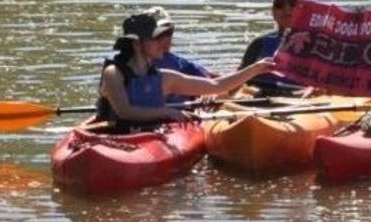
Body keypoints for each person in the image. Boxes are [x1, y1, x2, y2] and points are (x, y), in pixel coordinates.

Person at [97, 12, 275, 132]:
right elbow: (125, 112)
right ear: (137, 43)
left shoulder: (164, 77)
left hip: (149, 137)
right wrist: (167, 112)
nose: (164, 41)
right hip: (115, 135)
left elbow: (216, 85)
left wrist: (255, 69)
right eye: (156, 38)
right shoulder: (113, 73)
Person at [239, 0, 305, 96]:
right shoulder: (259, 44)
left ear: (303, 10)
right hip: (263, 99)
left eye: (293, 3)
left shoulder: (318, 45)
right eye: (280, 4)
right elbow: (238, 80)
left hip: (305, 100)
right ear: (273, 12)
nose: (286, 8)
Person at [143, 6, 215, 103]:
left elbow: (210, 81)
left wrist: (208, 93)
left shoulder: (179, 63)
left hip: (183, 111)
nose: (166, 38)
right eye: (159, 33)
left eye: (169, 32)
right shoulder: (133, 64)